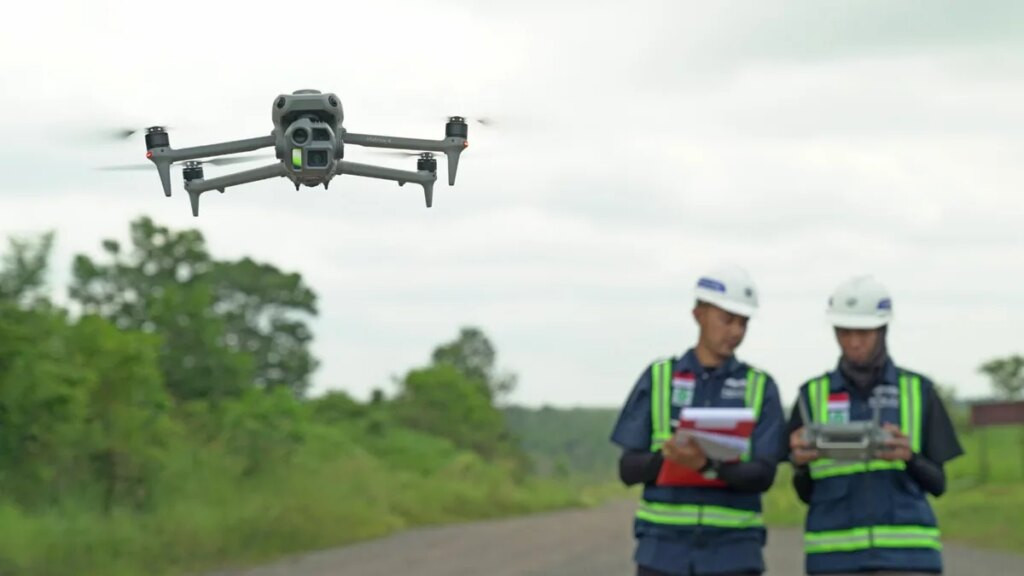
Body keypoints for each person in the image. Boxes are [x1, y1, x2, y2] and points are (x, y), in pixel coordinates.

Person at [610, 264, 786, 576]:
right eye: (727, 320)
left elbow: (763, 474)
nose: (736, 332)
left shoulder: (761, 388)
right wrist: (670, 459)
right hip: (662, 553)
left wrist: (707, 465)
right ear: (698, 314)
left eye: (743, 323)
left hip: (734, 553)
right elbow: (627, 469)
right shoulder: (659, 378)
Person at [786, 275, 965, 575]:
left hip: (909, 561)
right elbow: (805, 492)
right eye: (844, 332)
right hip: (833, 560)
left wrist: (909, 458)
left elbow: (939, 484)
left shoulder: (919, 391)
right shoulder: (810, 396)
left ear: (883, 329)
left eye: (864, 333)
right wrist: (800, 464)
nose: (853, 342)